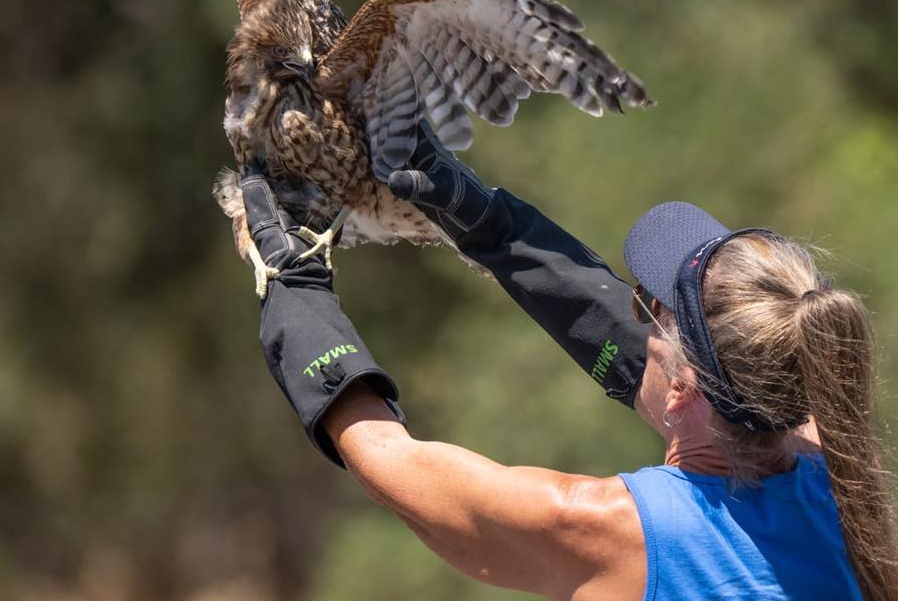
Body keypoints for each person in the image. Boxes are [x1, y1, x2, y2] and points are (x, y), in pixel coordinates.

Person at [245, 125, 898, 600]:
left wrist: (292, 290)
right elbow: (646, 355)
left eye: (653, 311)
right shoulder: (836, 473)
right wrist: (494, 227)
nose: (637, 315)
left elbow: (392, 462)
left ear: (683, 388)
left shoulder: (612, 533)